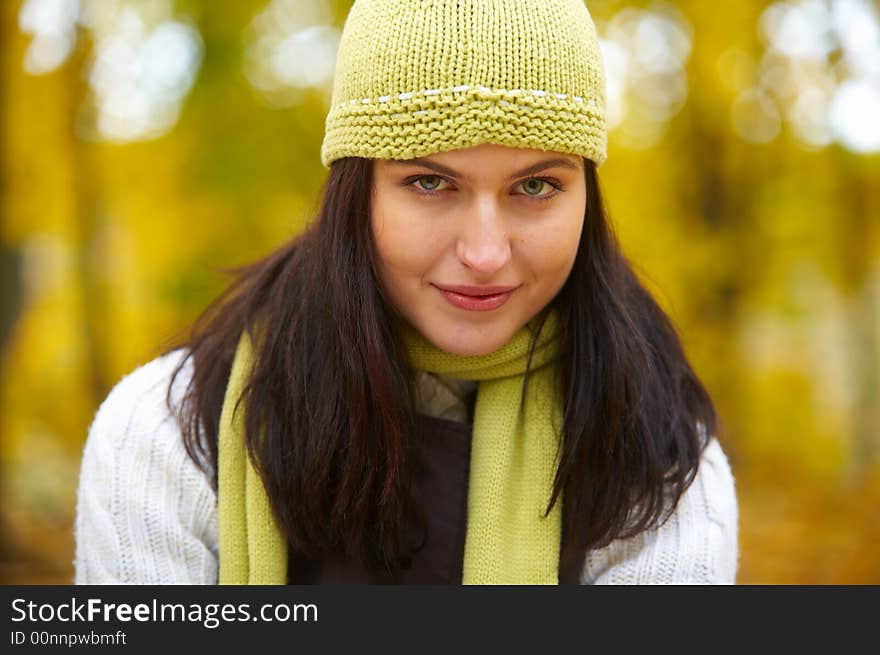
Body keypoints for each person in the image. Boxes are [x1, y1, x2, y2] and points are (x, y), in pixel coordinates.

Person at [74, 0, 738, 584]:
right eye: (430, 182)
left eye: (535, 186)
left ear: (587, 198)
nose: (484, 253)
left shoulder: (658, 448)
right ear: (355, 193)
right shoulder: (166, 435)